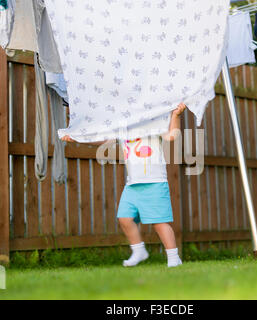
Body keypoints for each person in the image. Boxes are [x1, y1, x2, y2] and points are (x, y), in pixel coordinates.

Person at [62, 103, 186, 268]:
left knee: (160, 222)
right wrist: (78, 138)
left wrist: (176, 115)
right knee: (125, 218)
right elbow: (103, 141)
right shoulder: (124, 128)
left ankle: (173, 258)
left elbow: (171, 135)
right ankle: (139, 251)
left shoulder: (153, 124)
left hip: (154, 182)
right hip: (132, 185)